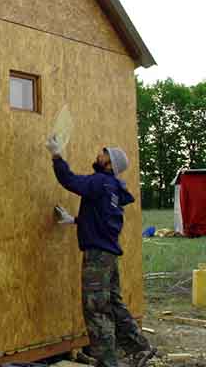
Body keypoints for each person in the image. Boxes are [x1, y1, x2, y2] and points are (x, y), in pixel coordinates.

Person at [45, 136, 156, 367]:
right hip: (108, 256)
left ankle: (107, 361)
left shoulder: (100, 182)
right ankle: (139, 348)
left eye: (104, 153)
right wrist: (75, 220)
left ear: (109, 164)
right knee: (113, 303)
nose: (99, 154)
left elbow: (70, 180)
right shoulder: (112, 188)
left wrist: (56, 156)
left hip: (97, 257)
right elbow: (102, 221)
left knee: (96, 308)